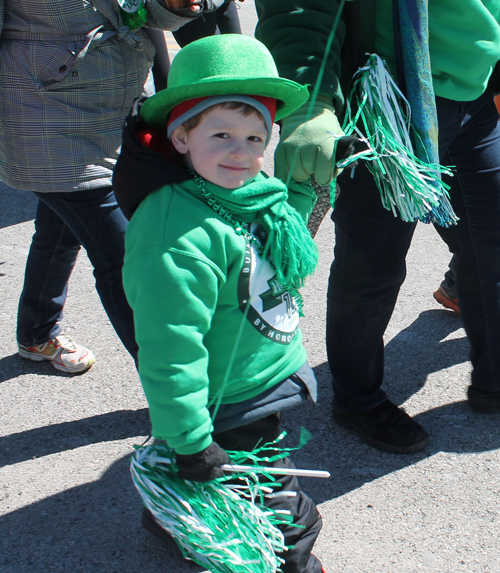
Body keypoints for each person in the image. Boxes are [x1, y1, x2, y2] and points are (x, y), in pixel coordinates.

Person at [115, 34, 325, 573]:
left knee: (240, 488)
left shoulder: (247, 193)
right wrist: (190, 441)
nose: (243, 152)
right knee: (285, 515)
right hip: (226, 403)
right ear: (181, 136)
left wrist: (312, 187)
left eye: (256, 136)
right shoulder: (174, 234)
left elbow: (281, 252)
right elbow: (169, 347)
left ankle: (170, 519)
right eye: (222, 133)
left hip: (263, 379)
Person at [254, 0, 500, 452]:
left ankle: (494, 378)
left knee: (492, 238)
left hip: (480, 98)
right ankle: (357, 398)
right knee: (372, 266)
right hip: (385, 103)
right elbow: (298, 8)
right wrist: (312, 102)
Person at [0, 0, 226, 373]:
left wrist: (175, 4)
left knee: (60, 228)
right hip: (42, 115)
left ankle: (36, 333)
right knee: (125, 256)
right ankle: (177, 387)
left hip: (112, 111)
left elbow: (145, 12)